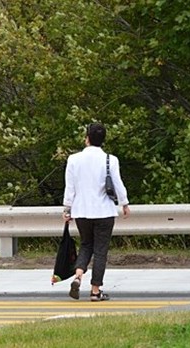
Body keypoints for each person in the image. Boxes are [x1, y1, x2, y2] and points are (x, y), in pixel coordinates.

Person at [62, 122, 130, 301]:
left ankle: (78, 276)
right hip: (104, 211)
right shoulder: (110, 159)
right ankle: (95, 291)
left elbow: (70, 187)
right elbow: (117, 183)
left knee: (86, 245)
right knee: (100, 251)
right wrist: (124, 203)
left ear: (87, 139)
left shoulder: (73, 159)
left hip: (82, 211)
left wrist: (67, 208)